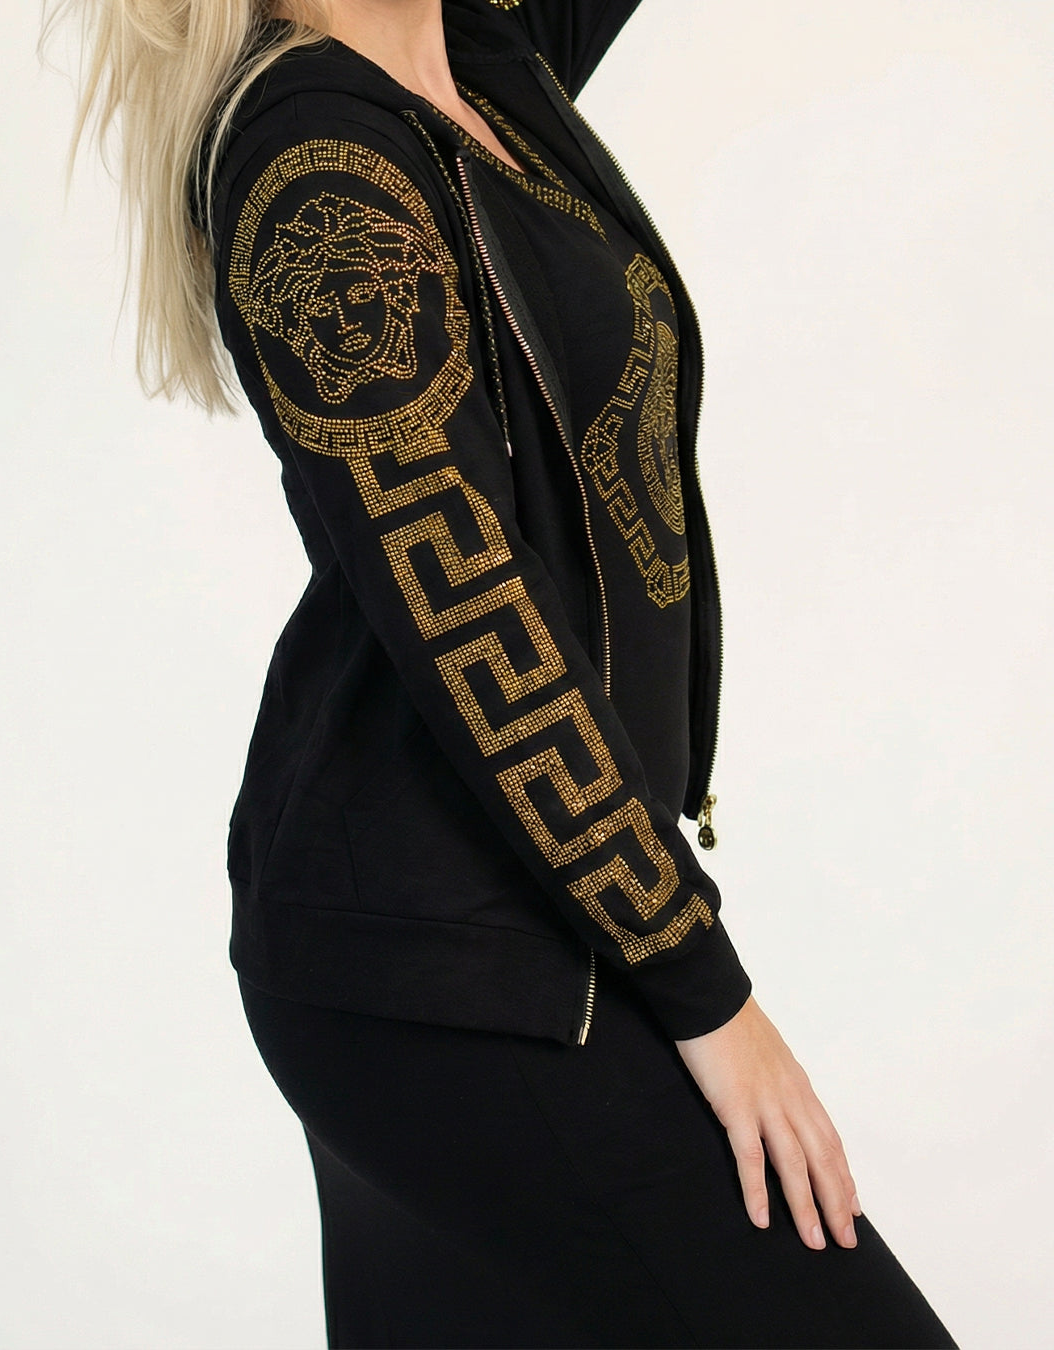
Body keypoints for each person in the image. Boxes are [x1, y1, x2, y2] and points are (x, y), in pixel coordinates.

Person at [50, 0, 961, 1344]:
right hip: (443, 962)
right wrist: (706, 991)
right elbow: (473, 613)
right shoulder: (313, 162)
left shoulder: (481, 53)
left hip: (482, 924)